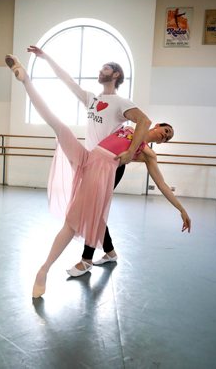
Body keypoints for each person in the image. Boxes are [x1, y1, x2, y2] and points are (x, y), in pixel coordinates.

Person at [5, 54, 191, 298]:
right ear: (156, 127)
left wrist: (181, 209)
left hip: (101, 170)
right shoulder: (128, 127)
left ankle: (45, 269)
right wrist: (47, 58)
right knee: (59, 126)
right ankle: (26, 79)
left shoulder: (147, 154)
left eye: (168, 137)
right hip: (89, 157)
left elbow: (163, 185)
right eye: (165, 130)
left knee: (73, 223)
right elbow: (134, 121)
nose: (165, 136)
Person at [27, 46, 152, 277]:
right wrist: (46, 57)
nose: (100, 70)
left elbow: (144, 121)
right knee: (94, 208)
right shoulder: (92, 99)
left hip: (110, 165)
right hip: (90, 160)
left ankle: (86, 260)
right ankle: (110, 251)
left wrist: (130, 152)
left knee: (91, 209)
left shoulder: (122, 102)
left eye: (105, 68)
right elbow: (66, 80)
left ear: (115, 75)